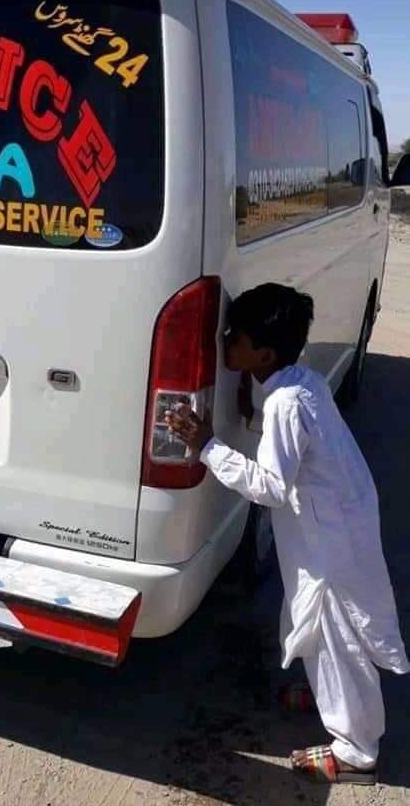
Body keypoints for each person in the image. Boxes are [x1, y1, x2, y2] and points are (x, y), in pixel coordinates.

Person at [165, 283, 408, 785]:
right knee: (311, 623)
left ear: (264, 353)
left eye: (235, 337)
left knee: (336, 635)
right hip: (337, 521)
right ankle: (328, 701)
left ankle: (357, 752)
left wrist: (206, 445)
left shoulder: (285, 405)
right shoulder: (302, 381)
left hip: (331, 539)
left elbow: (271, 487)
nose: (225, 342)